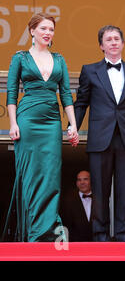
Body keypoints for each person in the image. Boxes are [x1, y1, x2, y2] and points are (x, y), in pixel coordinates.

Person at [2, 12, 78, 242]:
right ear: (32, 31)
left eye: (51, 29)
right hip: (27, 119)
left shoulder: (60, 59)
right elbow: (12, 92)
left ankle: (46, 231)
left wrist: (72, 124)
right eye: (43, 28)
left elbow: (65, 94)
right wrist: (13, 123)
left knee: (50, 174)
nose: (48, 33)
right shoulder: (20, 58)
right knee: (30, 175)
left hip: (52, 121)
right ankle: (33, 231)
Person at [73, 25, 125, 242]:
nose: (113, 42)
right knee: (100, 192)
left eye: (117, 39)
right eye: (108, 39)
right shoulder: (89, 70)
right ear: (101, 46)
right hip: (99, 139)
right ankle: (100, 235)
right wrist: (73, 126)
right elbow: (82, 102)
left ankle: (124, 235)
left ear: (122, 43)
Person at [61, 170, 93, 242]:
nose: (82, 182)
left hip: (97, 244)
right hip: (76, 244)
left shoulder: (100, 199)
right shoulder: (68, 201)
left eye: (85, 179)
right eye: (79, 180)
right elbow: (66, 225)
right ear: (76, 183)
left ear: (92, 181)